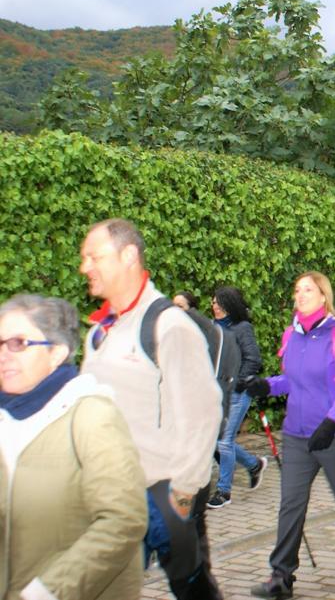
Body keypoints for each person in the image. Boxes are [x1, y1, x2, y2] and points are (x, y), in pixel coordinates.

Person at [78, 218, 224, 599]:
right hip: (111, 494)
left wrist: (183, 493)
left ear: (128, 256)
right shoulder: (98, 333)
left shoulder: (168, 325)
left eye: (94, 256)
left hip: (159, 495)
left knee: (191, 586)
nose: (84, 267)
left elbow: (203, 412)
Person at [244, 272, 335, 599]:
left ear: (323, 296)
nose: (301, 294)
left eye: (308, 289)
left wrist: (332, 423)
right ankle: (281, 575)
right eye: (297, 290)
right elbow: (291, 380)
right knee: (291, 503)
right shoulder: (291, 335)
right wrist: (266, 385)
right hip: (297, 435)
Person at [0, 294, 147, 600]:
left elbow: (122, 519)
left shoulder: (91, 416)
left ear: (57, 353)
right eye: (0, 344)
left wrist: (44, 593)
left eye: (18, 343)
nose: (4, 355)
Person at [207, 285, 267, 509]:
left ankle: (224, 491)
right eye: (213, 302)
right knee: (217, 441)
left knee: (223, 441)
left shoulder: (242, 328)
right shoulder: (212, 328)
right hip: (215, 395)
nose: (214, 306)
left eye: (218, 302)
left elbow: (254, 360)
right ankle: (253, 465)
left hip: (236, 394)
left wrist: (238, 383)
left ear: (229, 305)